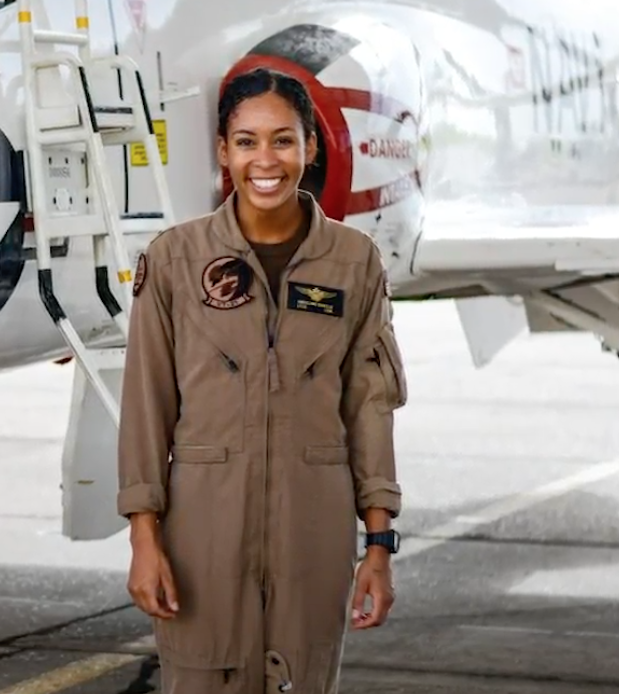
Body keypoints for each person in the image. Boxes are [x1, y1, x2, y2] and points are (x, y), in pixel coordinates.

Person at [117, 66, 408, 694]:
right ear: (224, 151)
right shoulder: (173, 260)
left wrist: (378, 545)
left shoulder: (354, 262)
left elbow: (370, 407)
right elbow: (145, 408)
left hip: (315, 537)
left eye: (283, 140)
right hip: (203, 539)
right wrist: (144, 538)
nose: (265, 160)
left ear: (310, 146)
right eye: (246, 141)